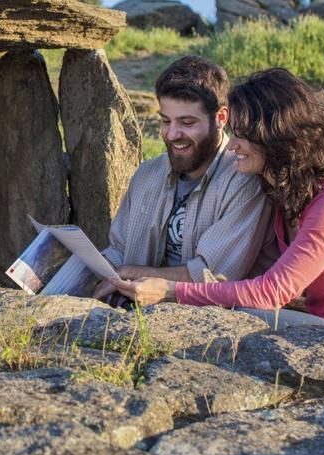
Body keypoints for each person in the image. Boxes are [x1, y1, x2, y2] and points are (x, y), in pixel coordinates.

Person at [108, 68, 324, 336]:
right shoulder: (283, 189)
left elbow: (273, 291)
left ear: (275, 135)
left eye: (242, 136)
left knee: (239, 320)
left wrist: (171, 290)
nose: (233, 148)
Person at [93, 56, 276, 304]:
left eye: (187, 123)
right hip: (130, 308)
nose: (172, 134)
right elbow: (117, 253)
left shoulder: (244, 179)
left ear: (221, 118)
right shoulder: (147, 174)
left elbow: (214, 277)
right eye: (165, 121)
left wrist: (136, 273)